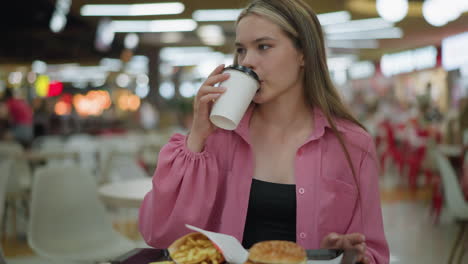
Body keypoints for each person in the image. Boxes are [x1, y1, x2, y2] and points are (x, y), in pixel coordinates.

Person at [139, 1, 389, 263]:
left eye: (263, 47)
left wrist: (338, 255)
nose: (247, 61)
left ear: (303, 53)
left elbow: (373, 251)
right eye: (241, 50)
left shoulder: (352, 145)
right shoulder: (219, 136)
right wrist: (196, 138)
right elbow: (160, 234)